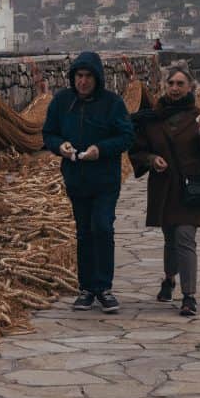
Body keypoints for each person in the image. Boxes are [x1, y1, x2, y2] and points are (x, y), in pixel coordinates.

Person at [129, 65, 200, 316]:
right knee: (170, 238)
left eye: (180, 84)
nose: (174, 88)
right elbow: (137, 151)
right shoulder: (151, 117)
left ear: (191, 87)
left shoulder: (199, 116)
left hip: (191, 188)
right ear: (165, 86)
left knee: (185, 237)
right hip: (164, 188)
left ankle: (189, 296)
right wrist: (152, 160)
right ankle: (168, 278)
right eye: (171, 83)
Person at [43, 52, 135, 313]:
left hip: (105, 179)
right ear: (73, 78)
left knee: (103, 227)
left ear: (97, 78)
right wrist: (60, 146)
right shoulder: (62, 101)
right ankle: (86, 289)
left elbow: (126, 136)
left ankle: (104, 287)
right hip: (76, 179)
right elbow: (49, 133)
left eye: (88, 77)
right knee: (84, 233)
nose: (83, 82)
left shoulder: (112, 103)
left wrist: (100, 149)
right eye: (79, 76)